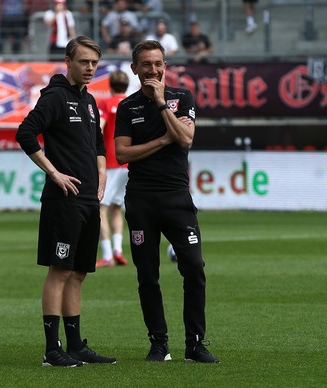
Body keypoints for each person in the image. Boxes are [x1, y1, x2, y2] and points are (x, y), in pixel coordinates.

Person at [114, 40, 220, 363]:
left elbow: (186, 138)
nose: (153, 70)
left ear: (165, 65)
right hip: (141, 200)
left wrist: (161, 103)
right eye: (146, 64)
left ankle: (195, 343)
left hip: (177, 198)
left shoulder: (181, 97)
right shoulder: (127, 107)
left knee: (194, 269)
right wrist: (163, 138)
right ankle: (159, 343)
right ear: (134, 69)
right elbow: (122, 153)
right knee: (147, 275)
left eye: (158, 63)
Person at [15, 35, 117, 368]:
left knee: (78, 274)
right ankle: (51, 349)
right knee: (60, 271)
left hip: (89, 199)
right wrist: (54, 173)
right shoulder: (55, 97)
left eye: (94, 63)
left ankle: (75, 346)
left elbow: (98, 142)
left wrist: (101, 172)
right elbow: (25, 133)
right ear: (68, 61)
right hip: (64, 200)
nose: (90, 68)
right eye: (84, 61)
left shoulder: (88, 101)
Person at [96, 70, 130, 268]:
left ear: (110, 85)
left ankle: (107, 254)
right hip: (129, 162)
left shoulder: (106, 104)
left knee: (101, 208)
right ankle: (118, 250)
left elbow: (99, 128)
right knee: (117, 208)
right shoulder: (131, 104)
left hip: (110, 162)